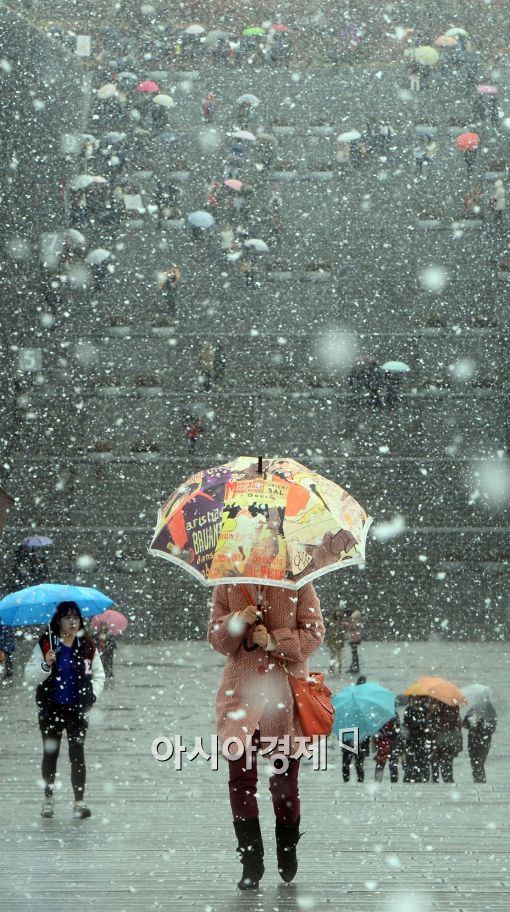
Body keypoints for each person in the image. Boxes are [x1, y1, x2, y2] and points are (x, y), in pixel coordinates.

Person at [208, 582, 324, 890]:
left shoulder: (298, 581)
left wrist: (274, 641)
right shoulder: (228, 581)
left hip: (283, 698)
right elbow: (217, 639)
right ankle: (251, 860)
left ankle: (287, 848)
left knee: (284, 781)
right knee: (241, 781)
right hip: (240, 700)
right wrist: (238, 621)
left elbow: (314, 633)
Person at [24, 601, 105, 819]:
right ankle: (48, 800)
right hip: (51, 708)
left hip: (78, 709)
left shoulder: (87, 645)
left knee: (77, 755)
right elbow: (30, 676)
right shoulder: (46, 644)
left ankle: (79, 802)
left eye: (76, 618)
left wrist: (92, 695)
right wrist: (46, 664)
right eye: (68, 618)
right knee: (50, 753)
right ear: (58, 620)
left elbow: (99, 674)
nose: (73, 622)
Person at [462, 692, 497, 783]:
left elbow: (492, 727)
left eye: (480, 698)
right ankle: (477, 781)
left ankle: (481, 781)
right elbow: (464, 724)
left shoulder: (490, 710)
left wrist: (480, 722)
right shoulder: (473, 709)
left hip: (483, 740)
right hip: (473, 739)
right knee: (474, 762)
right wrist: (471, 722)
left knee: (479, 762)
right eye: (477, 698)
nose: (478, 700)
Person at [342, 676, 369, 782]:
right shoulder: (365, 701)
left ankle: (347, 780)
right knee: (358, 762)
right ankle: (359, 780)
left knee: (347, 762)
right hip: (360, 736)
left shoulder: (351, 699)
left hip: (350, 734)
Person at [428, 700, 462, 783]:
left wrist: (435, 712)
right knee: (439, 762)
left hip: (445, 740)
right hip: (442, 740)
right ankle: (442, 781)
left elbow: (451, 723)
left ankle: (445, 781)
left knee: (444, 763)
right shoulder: (451, 708)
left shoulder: (450, 708)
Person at [403, 696, 430, 782]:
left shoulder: (424, 710)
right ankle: (409, 776)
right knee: (410, 760)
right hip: (411, 739)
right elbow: (407, 723)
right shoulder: (409, 710)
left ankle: (419, 776)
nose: (417, 701)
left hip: (421, 739)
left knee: (421, 759)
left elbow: (427, 723)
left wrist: (423, 724)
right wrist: (418, 724)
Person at [374, 713, 401, 782]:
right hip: (383, 744)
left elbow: (397, 730)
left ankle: (393, 781)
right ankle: (378, 781)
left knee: (392, 764)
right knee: (381, 764)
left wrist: (388, 733)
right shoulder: (380, 715)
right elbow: (376, 729)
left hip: (391, 743)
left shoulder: (393, 715)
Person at [325, 606, 345, 674]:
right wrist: (326, 635)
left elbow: (344, 628)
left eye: (339, 611)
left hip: (339, 639)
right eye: (337, 611)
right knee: (332, 655)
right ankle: (332, 667)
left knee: (339, 654)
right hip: (332, 639)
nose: (338, 613)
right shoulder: (331, 619)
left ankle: (340, 667)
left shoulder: (342, 620)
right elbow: (326, 627)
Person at [345, 608, 363, 673]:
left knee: (354, 653)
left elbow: (353, 627)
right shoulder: (357, 618)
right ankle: (354, 666)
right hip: (355, 637)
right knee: (354, 653)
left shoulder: (354, 619)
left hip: (354, 638)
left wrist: (348, 624)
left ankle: (355, 666)